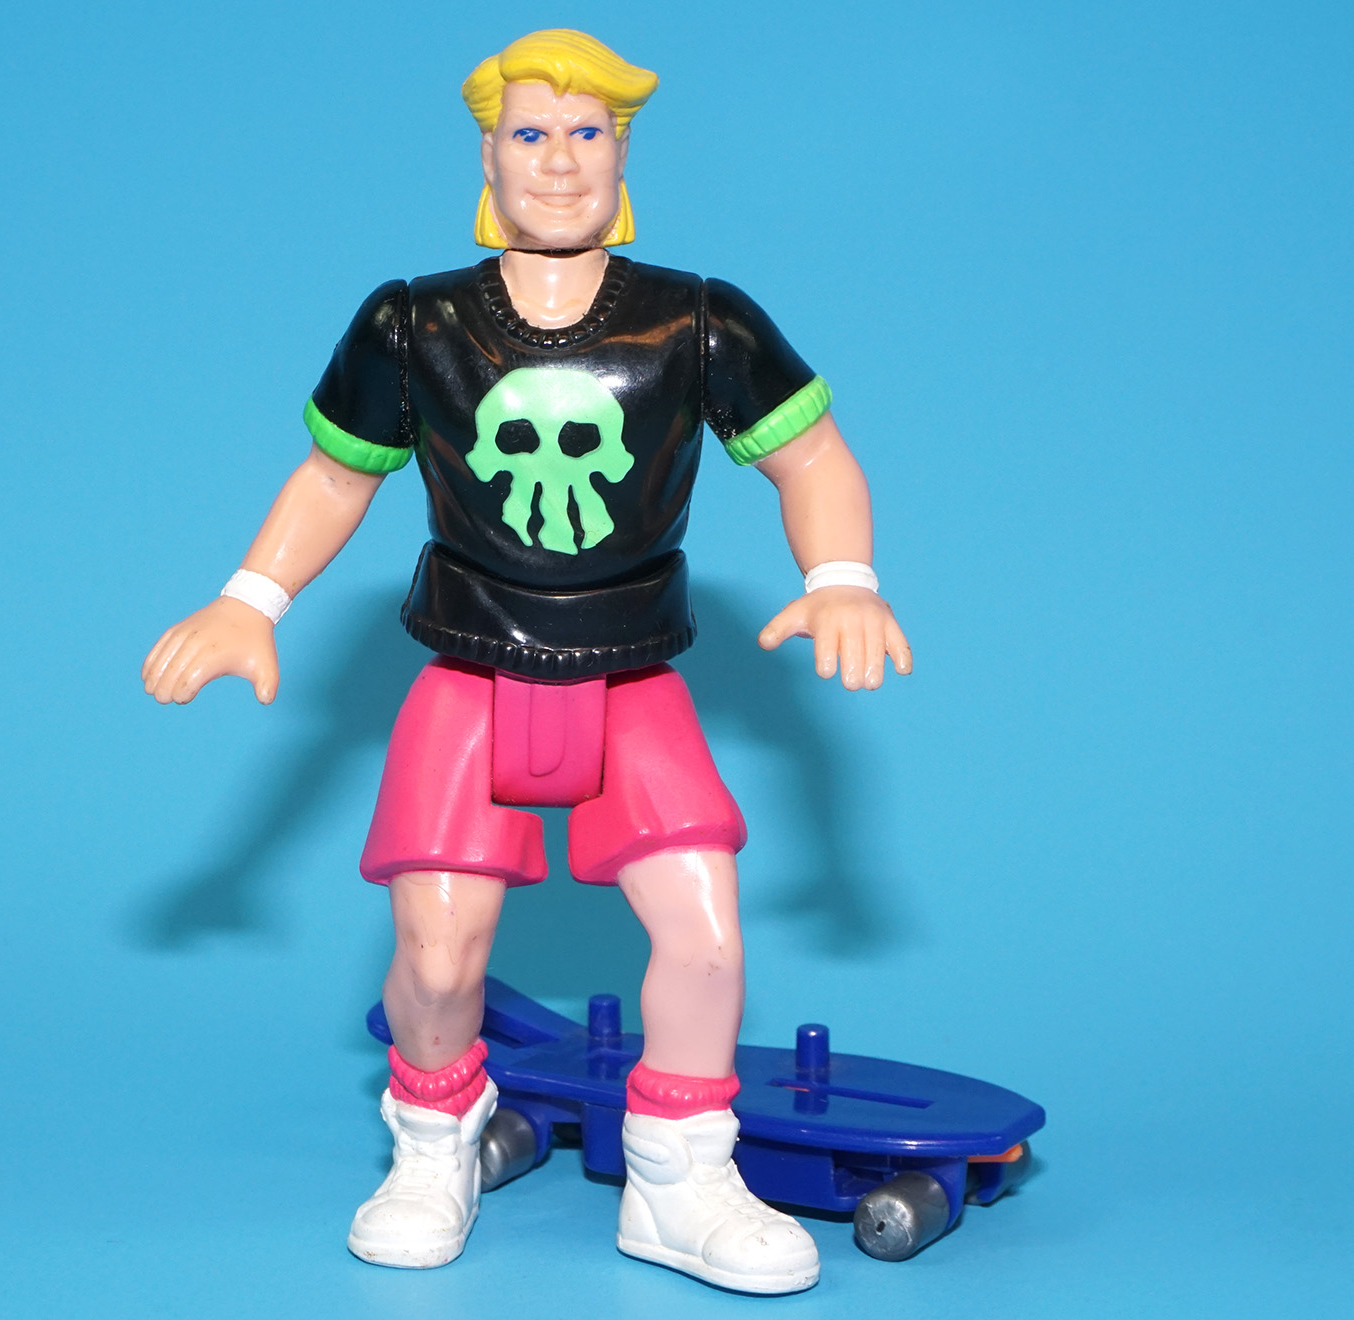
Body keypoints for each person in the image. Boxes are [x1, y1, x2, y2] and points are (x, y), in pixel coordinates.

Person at [142, 29, 911, 1295]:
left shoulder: (697, 321)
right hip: (471, 673)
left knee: (707, 938)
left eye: (586, 132)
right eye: (531, 133)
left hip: (630, 677)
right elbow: (335, 475)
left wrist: (843, 579)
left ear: (623, 152)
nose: (558, 160)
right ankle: (430, 1140)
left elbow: (811, 455)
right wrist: (249, 600)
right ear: (489, 155)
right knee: (438, 955)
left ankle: (677, 1177)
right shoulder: (415, 323)